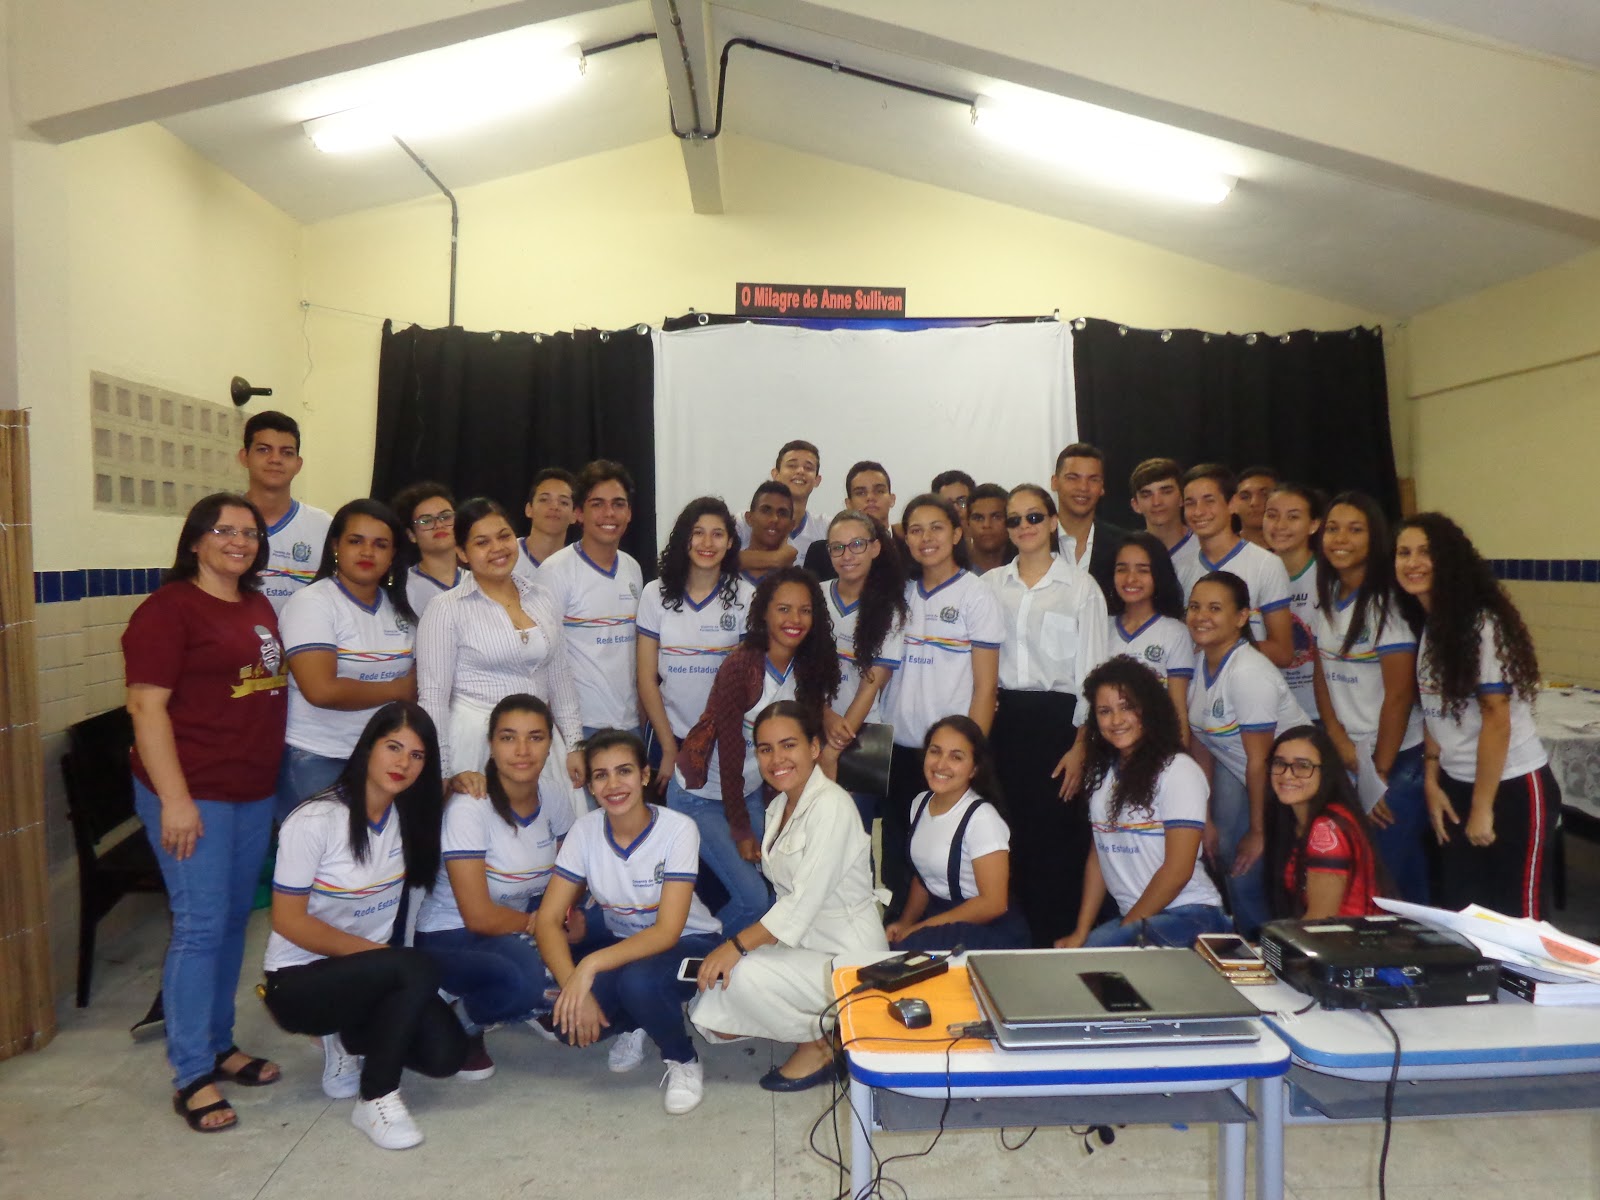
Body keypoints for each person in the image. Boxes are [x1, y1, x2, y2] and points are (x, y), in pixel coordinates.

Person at [123, 492, 288, 1133]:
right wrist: (175, 801)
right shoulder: (168, 610)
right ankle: (191, 1072)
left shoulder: (255, 604)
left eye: (249, 533)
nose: (239, 542)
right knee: (199, 927)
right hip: (193, 795)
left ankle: (219, 1045)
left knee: (229, 925)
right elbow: (146, 708)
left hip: (250, 791)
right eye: (223, 531)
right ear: (195, 540)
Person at [262, 702, 465, 1150]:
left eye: (416, 755)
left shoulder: (409, 818)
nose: (403, 763)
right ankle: (375, 1098)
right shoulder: (315, 820)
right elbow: (287, 920)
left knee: (446, 1056)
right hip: (298, 983)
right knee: (415, 967)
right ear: (367, 747)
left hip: (369, 978)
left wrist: (463, 781)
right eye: (393, 747)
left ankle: (348, 1036)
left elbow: (441, 794)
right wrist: (381, 957)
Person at [690, 702, 888, 1090]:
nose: (776, 759)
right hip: (803, 942)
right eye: (765, 749)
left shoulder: (832, 806)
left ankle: (820, 1044)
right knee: (717, 993)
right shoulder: (780, 805)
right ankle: (825, 1026)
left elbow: (800, 905)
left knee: (739, 971)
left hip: (847, 955)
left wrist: (736, 945)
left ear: (814, 747)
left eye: (788, 745)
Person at [533, 730, 723, 1115]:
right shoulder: (585, 831)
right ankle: (640, 1018)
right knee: (568, 1026)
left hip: (693, 946)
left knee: (640, 982)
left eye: (624, 771)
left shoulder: (678, 829)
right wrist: (574, 986)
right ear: (590, 785)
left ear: (645, 775)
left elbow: (667, 932)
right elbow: (548, 920)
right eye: (600, 775)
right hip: (624, 949)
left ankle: (683, 1058)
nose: (613, 784)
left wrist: (589, 966)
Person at [1396, 513, 1559, 918]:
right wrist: (1432, 780)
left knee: (1519, 921)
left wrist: (1483, 807)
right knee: (1465, 914)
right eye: (1403, 553)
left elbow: (1497, 721)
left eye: (1425, 552)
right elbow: (1436, 710)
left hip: (1511, 788)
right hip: (1456, 784)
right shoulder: (1433, 625)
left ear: (1450, 560)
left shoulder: (1483, 625)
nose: (1412, 562)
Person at [413, 694, 578, 1080]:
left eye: (535, 737)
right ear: (491, 743)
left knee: (604, 931)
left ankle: (529, 992)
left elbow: (572, 873)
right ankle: (465, 1020)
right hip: (453, 935)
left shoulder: (554, 797)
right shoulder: (470, 806)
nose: (522, 750)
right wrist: (547, 927)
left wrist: (569, 915)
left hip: (517, 928)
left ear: (550, 745)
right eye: (508, 737)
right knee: (533, 982)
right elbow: (480, 917)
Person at [673, 568, 841, 937]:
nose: (795, 620)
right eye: (783, 609)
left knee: (783, 881)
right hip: (700, 796)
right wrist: (740, 828)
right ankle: (700, 955)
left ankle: (743, 957)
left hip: (748, 791)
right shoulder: (742, 666)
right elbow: (730, 755)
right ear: (764, 612)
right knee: (754, 899)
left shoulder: (809, 668)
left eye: (805, 610)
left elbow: (800, 750)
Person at [984, 483, 1110, 946]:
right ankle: (1012, 944)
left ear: (1054, 522)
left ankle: (1058, 942)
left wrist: (1081, 746)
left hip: (1060, 726)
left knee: (1056, 839)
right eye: (1014, 519)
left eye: (1034, 517)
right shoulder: (989, 586)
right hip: (1002, 725)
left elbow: (1094, 675)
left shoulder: (1080, 588)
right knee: (1005, 833)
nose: (1024, 527)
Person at [414, 497, 585, 797]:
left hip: (538, 740)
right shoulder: (446, 608)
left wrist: (574, 744)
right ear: (462, 552)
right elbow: (433, 698)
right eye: (482, 542)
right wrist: (440, 769)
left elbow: (560, 677)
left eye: (504, 536)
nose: (497, 548)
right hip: (474, 744)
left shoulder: (541, 597)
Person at [1058, 657, 1230, 949]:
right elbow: (1099, 857)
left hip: (1193, 915)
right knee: (1083, 953)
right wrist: (1081, 931)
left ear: (1149, 709)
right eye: (1105, 711)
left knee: (1096, 953)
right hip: (1139, 918)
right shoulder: (1101, 774)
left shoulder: (1178, 771)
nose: (1116, 720)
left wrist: (1124, 932)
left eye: (1127, 707)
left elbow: (1178, 871)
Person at [882, 494, 1002, 914]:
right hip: (897, 749)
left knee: (948, 858)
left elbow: (986, 688)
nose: (926, 538)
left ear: (956, 534)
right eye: (915, 530)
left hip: (946, 757)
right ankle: (898, 934)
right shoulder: (900, 595)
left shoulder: (976, 595)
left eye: (936, 527)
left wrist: (970, 755)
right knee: (899, 856)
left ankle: (941, 933)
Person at [1311, 492, 1429, 902]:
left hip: (1397, 760)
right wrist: (1336, 736)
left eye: (1355, 530)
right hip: (1352, 755)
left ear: (1375, 538)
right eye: (1332, 528)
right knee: (1401, 872)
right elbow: (1322, 672)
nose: (1340, 539)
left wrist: (1376, 775)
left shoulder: (1387, 603)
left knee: (1381, 876)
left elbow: (1399, 695)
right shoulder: (1328, 593)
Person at [278, 498, 419, 818]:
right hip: (318, 757)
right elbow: (321, 690)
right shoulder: (311, 603)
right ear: (335, 546)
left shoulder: (400, 607)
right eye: (356, 541)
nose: (368, 552)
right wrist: (398, 690)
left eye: (380, 544)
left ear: (393, 554)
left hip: (383, 758)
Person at [1186, 571, 1308, 938]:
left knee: (1247, 871)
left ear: (1242, 617)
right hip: (1244, 777)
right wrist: (1205, 816)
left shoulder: (1248, 672)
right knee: (1226, 857)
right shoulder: (1200, 661)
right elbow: (1202, 743)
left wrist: (1258, 832)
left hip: (1293, 786)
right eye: (1194, 607)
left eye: (1214, 608)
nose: (1201, 616)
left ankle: (1267, 949)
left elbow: (1261, 761)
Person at [636, 497, 755, 789]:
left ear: (730, 542)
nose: (707, 543)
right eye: (698, 532)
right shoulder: (655, 593)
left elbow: (748, 680)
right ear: (684, 538)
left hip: (724, 736)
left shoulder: (745, 596)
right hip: (667, 733)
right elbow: (646, 678)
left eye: (718, 534)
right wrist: (668, 748)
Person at [885, 716, 1029, 952]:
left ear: (974, 769)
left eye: (956, 757)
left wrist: (921, 929)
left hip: (985, 929)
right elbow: (924, 877)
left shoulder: (982, 819)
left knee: (901, 956)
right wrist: (905, 924)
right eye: (935, 751)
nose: (941, 764)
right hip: (939, 918)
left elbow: (993, 904)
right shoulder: (920, 803)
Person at [538, 460, 644, 737]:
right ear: (578, 513)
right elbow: (542, 659)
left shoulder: (632, 568)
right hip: (578, 725)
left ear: (629, 513)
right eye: (597, 504)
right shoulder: (554, 571)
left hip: (629, 723)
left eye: (618, 504)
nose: (609, 513)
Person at [818, 510, 907, 829]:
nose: (847, 555)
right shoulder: (815, 595)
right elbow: (800, 668)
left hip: (865, 734)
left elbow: (872, 683)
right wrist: (825, 715)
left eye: (857, 544)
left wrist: (832, 752)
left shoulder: (891, 609)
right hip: (814, 722)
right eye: (837, 547)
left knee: (854, 831)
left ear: (875, 547)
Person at [1177, 464, 1296, 669]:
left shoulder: (1266, 564)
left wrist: (1222, 643)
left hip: (1248, 683)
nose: (1198, 511)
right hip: (1197, 687)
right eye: (1190, 503)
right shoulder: (1180, 568)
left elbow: (1283, 653)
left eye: (1209, 501)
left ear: (1232, 504)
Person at [1265, 725, 1386, 919]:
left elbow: (1320, 921)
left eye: (1303, 766)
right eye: (1279, 763)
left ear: (1326, 772)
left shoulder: (1326, 830)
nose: (1287, 774)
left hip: (1342, 935)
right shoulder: (1297, 819)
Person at [238, 410, 331, 614]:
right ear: (244, 457)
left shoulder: (324, 526)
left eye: (287, 452)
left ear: (298, 464)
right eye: (263, 450)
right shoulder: (221, 521)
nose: (275, 459)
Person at [1108, 532, 1194, 743]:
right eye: (1122, 569)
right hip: (1107, 743)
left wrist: (1179, 757)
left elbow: (1178, 710)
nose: (1131, 579)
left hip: (1156, 745)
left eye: (1143, 570)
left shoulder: (1175, 632)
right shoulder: (1101, 626)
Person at [1262, 482, 1323, 718]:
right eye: (1272, 515)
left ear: (1314, 524)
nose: (1280, 526)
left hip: (1322, 712)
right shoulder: (1253, 573)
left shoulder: (1328, 576)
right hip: (1272, 711)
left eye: (1293, 517)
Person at [1049, 442, 1125, 603]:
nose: (1083, 487)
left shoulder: (1122, 545)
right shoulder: (1032, 542)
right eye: (1072, 478)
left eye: (1093, 479)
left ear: (1102, 487)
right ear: (1054, 482)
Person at [801, 459, 899, 582]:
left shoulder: (910, 549)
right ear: (848, 504)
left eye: (879, 491)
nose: (870, 497)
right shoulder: (821, 554)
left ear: (892, 499)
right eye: (860, 493)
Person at [739, 440, 827, 573]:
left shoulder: (825, 528)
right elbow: (718, 558)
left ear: (817, 480)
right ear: (775, 474)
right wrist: (776, 559)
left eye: (808, 468)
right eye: (792, 465)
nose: (800, 471)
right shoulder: (743, 522)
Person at [391, 481, 462, 619]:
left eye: (446, 517)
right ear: (411, 535)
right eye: (425, 521)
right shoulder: (403, 587)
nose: (439, 525)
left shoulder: (479, 579)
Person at [514, 467, 578, 581]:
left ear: (574, 515)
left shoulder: (578, 566)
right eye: (544, 500)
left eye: (564, 502)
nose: (554, 507)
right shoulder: (508, 553)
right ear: (529, 509)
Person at [1127, 457, 1190, 555]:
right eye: (1146, 495)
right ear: (1135, 505)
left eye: (1166, 492)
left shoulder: (1205, 546)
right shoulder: (1128, 554)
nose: (1156, 502)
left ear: (1182, 498)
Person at [740, 482, 796, 585]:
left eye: (782, 513)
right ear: (749, 518)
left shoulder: (797, 582)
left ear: (791, 525)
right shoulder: (722, 572)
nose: (774, 519)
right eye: (766, 511)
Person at [965, 482, 1013, 574]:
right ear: (968, 523)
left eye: (996, 517)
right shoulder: (953, 571)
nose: (986, 525)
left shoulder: (1024, 567)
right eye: (978, 518)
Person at [1231, 465, 1279, 550]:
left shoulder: (1295, 551)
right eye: (1245, 497)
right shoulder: (1221, 551)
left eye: (1264, 495)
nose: (1254, 502)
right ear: (1233, 504)